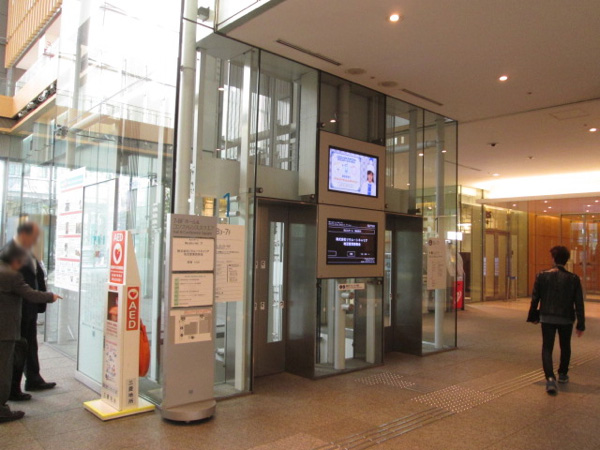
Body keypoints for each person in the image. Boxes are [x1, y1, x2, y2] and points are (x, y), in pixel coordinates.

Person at [0, 245, 60, 422]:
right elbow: (30, 293)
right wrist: (50, 296)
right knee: (4, 368)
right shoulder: (10, 275)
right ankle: (2, 408)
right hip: (6, 328)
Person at [4, 222, 57, 401]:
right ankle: (12, 389)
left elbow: (35, 276)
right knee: (18, 349)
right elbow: (16, 284)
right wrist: (45, 297)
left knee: (30, 344)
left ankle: (33, 379)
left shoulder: (26, 250)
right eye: (35, 236)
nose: (37, 239)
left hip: (30, 307)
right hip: (19, 309)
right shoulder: (11, 252)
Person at [527, 246, 585, 394]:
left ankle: (550, 378)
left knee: (547, 347)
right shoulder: (573, 278)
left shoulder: (542, 276)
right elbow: (579, 303)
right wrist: (581, 324)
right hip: (566, 318)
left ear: (553, 258)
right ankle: (563, 374)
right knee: (565, 346)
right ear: (566, 260)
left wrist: (533, 316)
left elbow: (535, 298)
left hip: (547, 317)